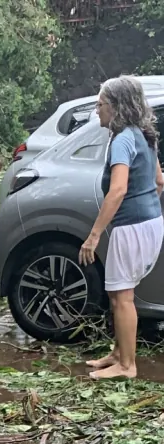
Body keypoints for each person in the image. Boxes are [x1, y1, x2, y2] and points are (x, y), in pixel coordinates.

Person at [80, 75, 164, 380]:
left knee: (123, 297)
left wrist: (94, 235)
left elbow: (117, 191)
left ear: (116, 107)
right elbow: (159, 181)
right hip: (149, 223)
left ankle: (127, 366)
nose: (97, 110)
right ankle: (119, 353)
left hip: (133, 228)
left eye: (100, 104)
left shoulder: (123, 140)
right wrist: (144, 208)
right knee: (118, 295)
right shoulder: (143, 134)